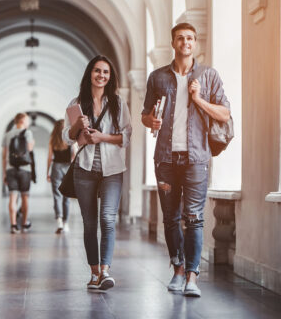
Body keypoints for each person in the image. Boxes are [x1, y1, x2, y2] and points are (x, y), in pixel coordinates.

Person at [141, 23, 230, 297]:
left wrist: (198, 99)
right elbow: (144, 114)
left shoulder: (209, 76)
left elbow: (224, 114)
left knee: (194, 218)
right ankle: (178, 270)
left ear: (195, 43)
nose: (186, 42)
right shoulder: (157, 78)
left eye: (190, 38)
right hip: (165, 159)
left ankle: (192, 276)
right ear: (173, 43)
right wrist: (150, 120)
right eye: (180, 38)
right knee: (170, 218)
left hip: (196, 158)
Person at [62, 55, 132, 291]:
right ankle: (94, 272)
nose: (101, 75)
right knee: (90, 224)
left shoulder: (118, 103)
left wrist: (102, 137)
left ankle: (105, 271)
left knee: (108, 219)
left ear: (110, 77)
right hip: (84, 169)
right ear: (89, 74)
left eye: (106, 72)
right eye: (97, 71)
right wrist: (77, 125)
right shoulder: (76, 103)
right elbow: (66, 138)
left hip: (112, 169)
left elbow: (126, 136)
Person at [2, 113, 35, 234]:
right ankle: (24, 223)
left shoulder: (7, 134)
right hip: (25, 169)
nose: (28, 123)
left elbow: (4, 156)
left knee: (12, 198)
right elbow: (30, 149)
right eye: (27, 120)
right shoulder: (28, 133)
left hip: (10, 169)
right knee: (25, 197)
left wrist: (4, 174)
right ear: (22, 121)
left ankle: (13, 225)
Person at [47, 119, 74, 234]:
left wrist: (47, 172)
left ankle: (59, 221)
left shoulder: (52, 140)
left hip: (56, 168)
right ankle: (66, 223)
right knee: (66, 197)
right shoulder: (70, 139)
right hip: (67, 168)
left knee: (57, 196)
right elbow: (74, 155)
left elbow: (49, 158)